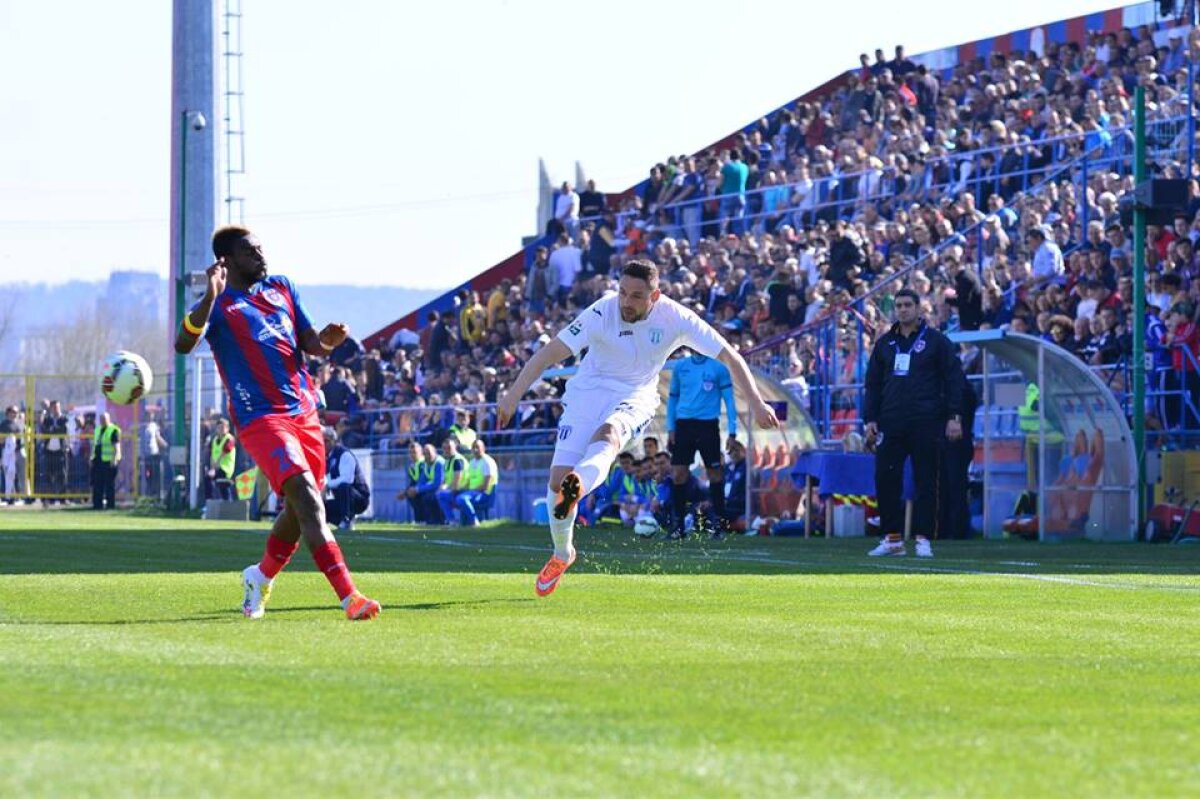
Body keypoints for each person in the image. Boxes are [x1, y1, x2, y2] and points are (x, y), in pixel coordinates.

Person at [496, 259, 779, 596]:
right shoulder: (603, 311)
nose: (626, 302)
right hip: (588, 391)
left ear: (654, 296)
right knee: (555, 483)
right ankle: (563, 553)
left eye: (636, 296)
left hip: (636, 395)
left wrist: (758, 402)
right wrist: (513, 395)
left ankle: (578, 485)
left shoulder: (676, 318)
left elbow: (732, 356)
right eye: (623, 293)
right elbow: (548, 353)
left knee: (609, 437)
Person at [174, 224, 380, 621]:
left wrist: (329, 340)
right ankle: (349, 597)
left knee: (302, 509)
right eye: (251, 252)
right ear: (228, 261)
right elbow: (182, 344)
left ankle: (260, 576)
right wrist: (210, 295)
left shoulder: (282, 288)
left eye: (261, 249)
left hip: (303, 414)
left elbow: (310, 344)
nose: (261, 257)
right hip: (261, 418)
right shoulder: (218, 305)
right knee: (305, 495)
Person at [863, 288, 964, 558]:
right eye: (899, 305)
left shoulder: (937, 342)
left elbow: (954, 381)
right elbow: (872, 385)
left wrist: (954, 417)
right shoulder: (885, 344)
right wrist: (870, 419)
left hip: (927, 420)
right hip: (891, 421)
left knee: (927, 480)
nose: (903, 309)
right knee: (886, 478)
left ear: (919, 308)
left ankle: (923, 539)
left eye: (908, 304)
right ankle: (892, 538)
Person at [666, 350, 738, 538]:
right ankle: (678, 526)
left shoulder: (719, 368)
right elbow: (673, 398)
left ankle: (719, 525)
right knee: (678, 475)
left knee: (715, 473)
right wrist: (670, 428)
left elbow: (729, 400)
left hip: (708, 426)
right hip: (684, 425)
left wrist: (732, 431)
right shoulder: (681, 366)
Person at [938, 368, 979, 539]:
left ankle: (955, 529)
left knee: (954, 486)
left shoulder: (956, 388)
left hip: (956, 442)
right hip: (954, 442)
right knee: (951, 485)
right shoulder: (960, 385)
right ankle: (950, 528)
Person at [322, 426, 370, 531]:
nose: (323, 444)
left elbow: (347, 479)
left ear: (334, 441)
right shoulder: (326, 458)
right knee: (320, 500)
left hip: (359, 498)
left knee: (344, 486)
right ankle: (334, 521)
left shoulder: (344, 454)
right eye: (321, 441)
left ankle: (346, 519)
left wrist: (327, 485)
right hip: (341, 497)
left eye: (326, 441)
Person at [456, 438, 497, 526]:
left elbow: (485, 486)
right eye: (473, 447)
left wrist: (470, 490)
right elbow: (469, 480)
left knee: (462, 499)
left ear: (483, 448)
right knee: (455, 496)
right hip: (473, 492)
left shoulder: (488, 462)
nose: (475, 450)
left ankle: (474, 521)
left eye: (477, 447)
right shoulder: (472, 462)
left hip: (484, 493)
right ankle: (461, 523)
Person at [435, 436, 469, 525]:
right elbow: (446, 480)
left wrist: (445, 490)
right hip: (456, 490)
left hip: (462, 490)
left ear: (455, 448)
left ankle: (452, 520)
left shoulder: (458, 460)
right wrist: (443, 487)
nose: (446, 450)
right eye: (444, 448)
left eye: (449, 448)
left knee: (441, 495)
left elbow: (456, 482)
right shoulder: (447, 461)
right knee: (438, 493)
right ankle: (449, 520)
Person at [91, 411, 121, 510]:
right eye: (101, 419)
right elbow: (95, 445)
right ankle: (97, 505)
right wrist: (91, 458)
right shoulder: (98, 430)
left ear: (109, 419)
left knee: (109, 485)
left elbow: (116, 447)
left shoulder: (113, 430)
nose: (103, 421)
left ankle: (110, 505)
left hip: (109, 462)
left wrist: (114, 459)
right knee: (97, 484)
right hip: (98, 461)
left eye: (104, 419)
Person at [206, 418, 236, 501]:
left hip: (226, 469)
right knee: (209, 479)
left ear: (228, 429)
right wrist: (212, 468)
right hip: (217, 468)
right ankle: (209, 502)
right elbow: (212, 455)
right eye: (219, 428)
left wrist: (214, 468)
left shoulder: (230, 439)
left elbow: (224, 452)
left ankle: (226, 504)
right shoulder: (215, 440)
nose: (221, 429)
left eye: (223, 427)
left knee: (221, 485)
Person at [398, 441, 427, 523]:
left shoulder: (423, 463)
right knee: (412, 496)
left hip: (427, 487)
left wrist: (406, 492)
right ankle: (419, 520)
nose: (412, 455)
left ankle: (423, 520)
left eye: (414, 452)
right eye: (410, 452)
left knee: (416, 496)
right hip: (419, 488)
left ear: (421, 452)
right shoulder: (412, 466)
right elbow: (413, 482)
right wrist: (405, 492)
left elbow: (423, 480)